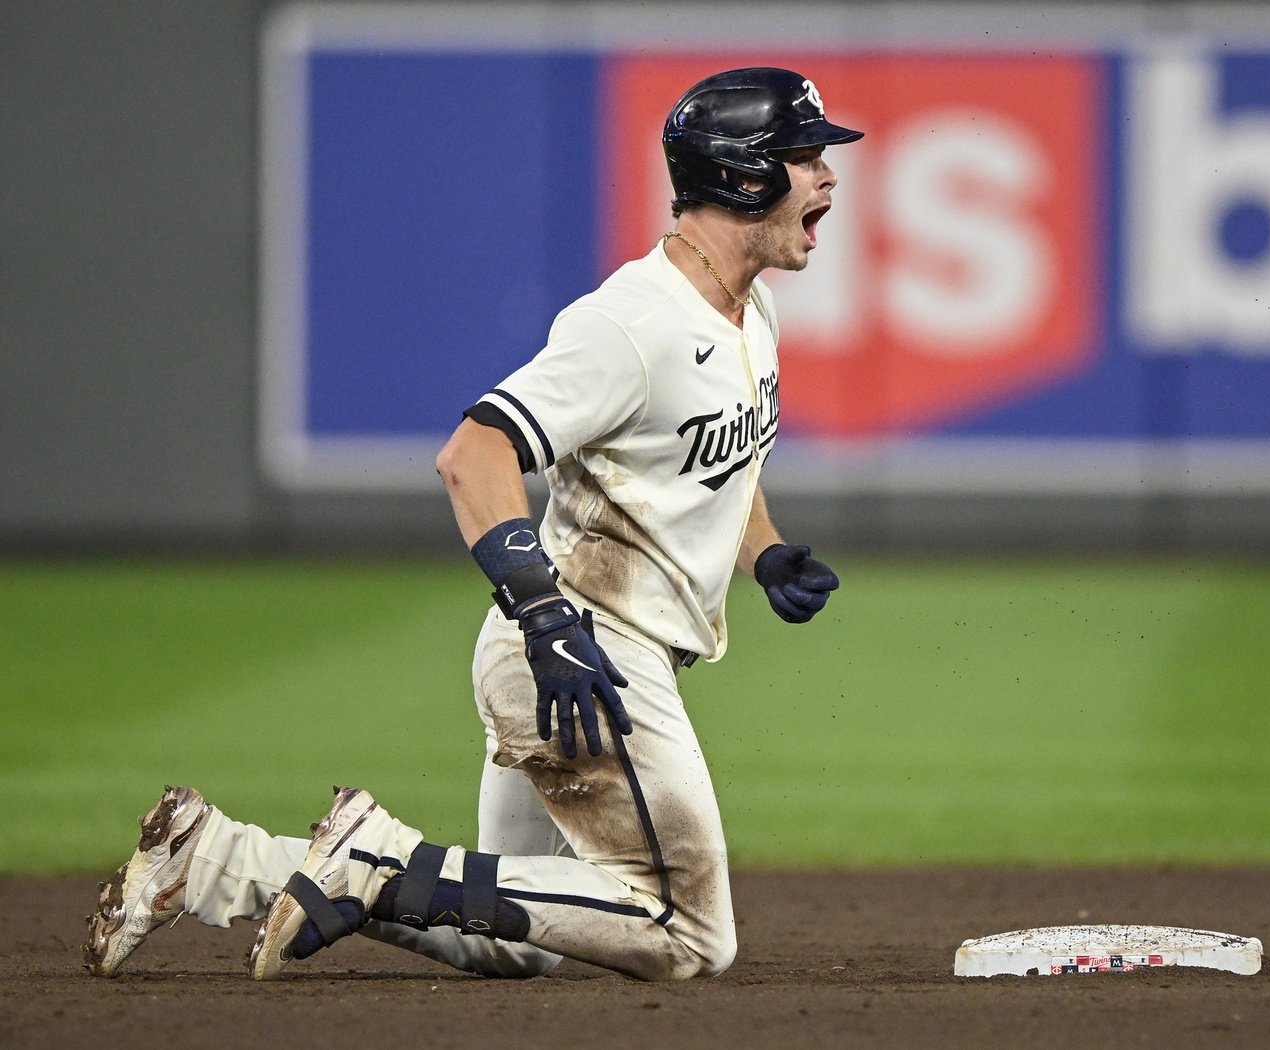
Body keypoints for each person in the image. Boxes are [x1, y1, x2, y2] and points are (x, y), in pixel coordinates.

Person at [83, 66, 858, 983]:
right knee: (685, 933)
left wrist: (761, 550)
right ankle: (372, 861)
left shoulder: (747, 307)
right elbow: (474, 454)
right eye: (803, 157)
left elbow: (718, 461)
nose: (826, 177)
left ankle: (213, 860)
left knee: (504, 936)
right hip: (578, 652)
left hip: (579, 650)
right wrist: (546, 619)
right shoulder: (631, 325)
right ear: (740, 175)